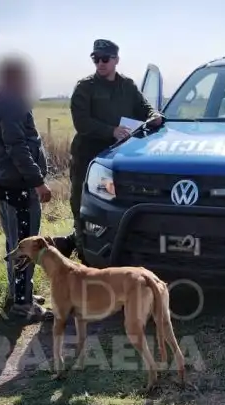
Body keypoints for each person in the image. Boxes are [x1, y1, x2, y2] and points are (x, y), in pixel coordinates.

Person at [62, 39, 163, 261]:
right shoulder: (85, 87)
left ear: (116, 60)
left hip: (120, 158)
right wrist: (111, 131)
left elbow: (143, 106)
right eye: (96, 59)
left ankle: (120, 252)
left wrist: (154, 115)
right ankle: (84, 255)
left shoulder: (127, 85)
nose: (100, 63)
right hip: (89, 157)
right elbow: (81, 122)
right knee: (84, 205)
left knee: (117, 206)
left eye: (105, 59)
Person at [0, 55, 55, 322]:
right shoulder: (11, 105)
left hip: (5, 184)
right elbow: (18, 148)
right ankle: (22, 305)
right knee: (26, 246)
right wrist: (38, 182)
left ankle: (19, 293)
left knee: (15, 242)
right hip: (19, 187)